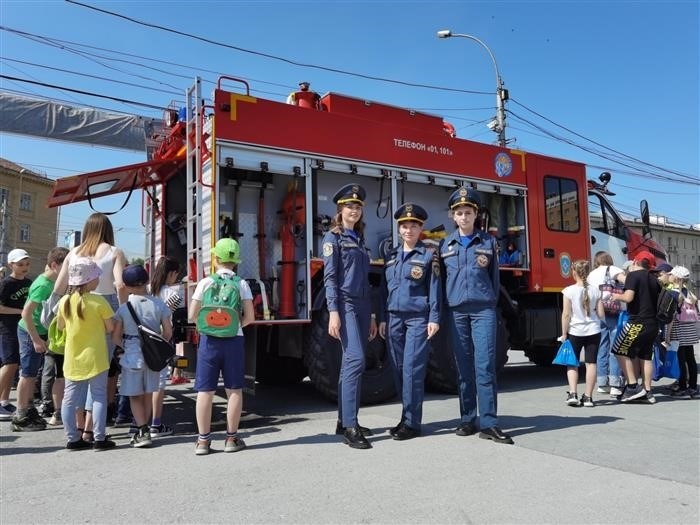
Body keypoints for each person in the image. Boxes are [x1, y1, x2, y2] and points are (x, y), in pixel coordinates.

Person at [439, 187, 513, 444]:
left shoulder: (488, 243)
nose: (463, 216)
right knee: (463, 367)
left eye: (468, 212)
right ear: (453, 216)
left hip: (483, 311)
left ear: (476, 214)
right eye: (459, 212)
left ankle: (489, 423)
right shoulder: (445, 245)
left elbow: (494, 281)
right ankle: (467, 419)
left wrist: (489, 304)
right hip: (457, 312)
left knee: (485, 366)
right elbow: (441, 282)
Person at [51, 212, 129, 435]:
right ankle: (90, 429)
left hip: (74, 307)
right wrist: (123, 312)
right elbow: (121, 284)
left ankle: (76, 425)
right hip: (105, 308)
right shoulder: (114, 252)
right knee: (99, 371)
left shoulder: (73, 252)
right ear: (108, 230)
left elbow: (59, 286)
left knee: (77, 371)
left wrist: (52, 312)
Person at [378, 203, 441, 440]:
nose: (408, 230)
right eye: (404, 226)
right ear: (399, 229)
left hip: (417, 319)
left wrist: (433, 318)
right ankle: (406, 417)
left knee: (413, 370)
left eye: (413, 226)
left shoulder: (427, 255)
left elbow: (435, 289)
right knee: (398, 369)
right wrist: (383, 318)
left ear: (420, 228)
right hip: (393, 319)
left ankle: (413, 424)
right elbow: (384, 290)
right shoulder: (391, 256)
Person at [322, 183, 378, 450]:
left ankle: (344, 420)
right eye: (349, 206)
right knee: (356, 358)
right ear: (340, 210)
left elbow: (365, 280)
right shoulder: (333, 238)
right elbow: (330, 278)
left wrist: (373, 315)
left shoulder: (359, 239)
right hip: (344, 304)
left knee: (349, 362)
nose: (353, 210)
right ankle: (351, 427)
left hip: (363, 305)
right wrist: (333, 312)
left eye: (357, 207)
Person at [188, 238, 254, 455]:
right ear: (235, 262)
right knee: (234, 389)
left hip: (209, 341)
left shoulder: (205, 283)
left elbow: (192, 315)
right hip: (234, 340)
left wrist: (208, 327)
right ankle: (231, 439)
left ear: (215, 259)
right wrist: (234, 326)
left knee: (205, 391)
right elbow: (250, 317)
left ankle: (203, 442)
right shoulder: (241, 284)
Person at [57, 257, 115, 450]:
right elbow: (109, 328)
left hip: (73, 357)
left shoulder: (65, 301)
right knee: (99, 396)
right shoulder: (98, 301)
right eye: (96, 276)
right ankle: (99, 438)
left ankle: (72, 438)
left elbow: (60, 326)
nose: (98, 279)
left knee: (69, 399)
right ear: (89, 280)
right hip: (97, 356)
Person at [112, 265, 172, 448]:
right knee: (147, 393)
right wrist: (157, 345)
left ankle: (142, 430)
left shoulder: (124, 308)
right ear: (147, 281)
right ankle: (144, 429)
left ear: (127, 286)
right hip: (153, 356)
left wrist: (125, 346)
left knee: (134, 396)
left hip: (132, 355)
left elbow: (115, 337)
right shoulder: (159, 304)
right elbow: (168, 332)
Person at [14, 247, 68, 431]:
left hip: (40, 332)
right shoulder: (44, 284)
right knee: (28, 375)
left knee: (33, 373)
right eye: (66, 266)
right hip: (30, 332)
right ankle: (20, 415)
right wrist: (36, 339)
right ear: (55, 265)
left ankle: (27, 409)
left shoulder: (53, 281)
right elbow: (26, 313)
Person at [610, 250, 661, 404]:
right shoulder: (654, 279)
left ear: (636, 262)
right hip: (653, 324)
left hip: (637, 322)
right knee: (646, 357)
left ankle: (633, 387)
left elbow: (628, 297)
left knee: (618, 349)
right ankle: (647, 391)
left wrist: (616, 295)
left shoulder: (633, 276)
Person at [558, 260, 604, 407]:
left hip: (575, 331)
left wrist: (564, 333)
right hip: (594, 330)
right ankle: (588, 397)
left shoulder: (568, 290)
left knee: (572, 363)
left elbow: (566, 314)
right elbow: (601, 313)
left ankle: (573, 394)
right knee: (591, 363)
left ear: (574, 273)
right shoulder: (596, 290)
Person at [149, 256, 184, 438]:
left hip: (144, 340)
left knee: (144, 383)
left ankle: (138, 424)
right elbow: (169, 314)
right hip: (162, 339)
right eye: (176, 274)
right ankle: (156, 424)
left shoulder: (147, 291)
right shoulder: (174, 295)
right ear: (171, 273)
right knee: (159, 384)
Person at [586, 251, 625, 396]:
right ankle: (615, 384)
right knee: (615, 348)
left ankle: (602, 383)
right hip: (612, 313)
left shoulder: (591, 274)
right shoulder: (612, 269)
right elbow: (626, 281)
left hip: (597, 312)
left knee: (601, 347)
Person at [0, 249, 32, 422]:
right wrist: (21, 311)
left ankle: (4, 400)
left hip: (23, 327)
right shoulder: (6, 283)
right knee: (9, 363)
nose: (24, 267)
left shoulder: (29, 282)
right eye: (20, 264)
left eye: (26, 264)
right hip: (7, 327)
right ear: (10, 265)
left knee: (14, 365)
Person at [667, 265, 698, 398]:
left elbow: (672, 316)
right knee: (690, 359)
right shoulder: (690, 293)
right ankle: (693, 387)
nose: (669, 275)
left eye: (671, 274)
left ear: (677, 278)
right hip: (690, 330)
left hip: (678, 329)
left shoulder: (673, 293)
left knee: (680, 359)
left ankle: (682, 388)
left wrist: (667, 334)